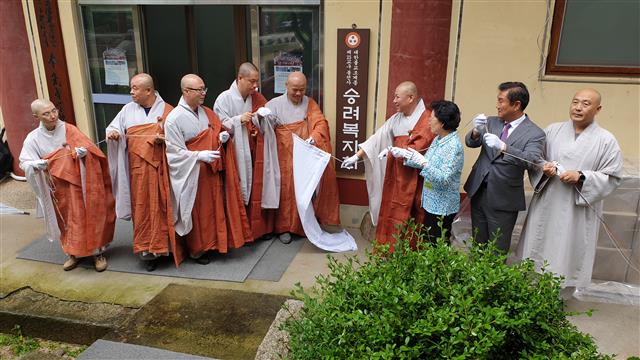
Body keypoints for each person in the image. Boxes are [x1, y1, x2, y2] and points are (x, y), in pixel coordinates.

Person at [517, 88, 623, 294]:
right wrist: (543, 168)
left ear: (598, 109)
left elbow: (613, 177)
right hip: (548, 200)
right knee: (540, 242)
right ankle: (532, 292)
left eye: (585, 103)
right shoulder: (552, 131)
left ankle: (560, 295)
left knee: (568, 248)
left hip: (577, 208)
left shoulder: (606, 140)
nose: (578, 107)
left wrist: (582, 176)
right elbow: (535, 159)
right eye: (575, 102)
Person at [164, 74, 252, 263]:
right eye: (199, 90)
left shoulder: (207, 112)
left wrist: (222, 137)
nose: (203, 93)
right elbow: (173, 153)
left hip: (212, 170)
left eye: (205, 89)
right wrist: (197, 155)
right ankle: (198, 249)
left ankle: (216, 244)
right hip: (193, 173)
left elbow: (219, 128)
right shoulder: (174, 119)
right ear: (186, 91)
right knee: (198, 212)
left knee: (215, 208)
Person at [19, 99, 115, 271]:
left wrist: (84, 154)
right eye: (46, 114)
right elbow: (24, 162)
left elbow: (90, 149)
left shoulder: (69, 129)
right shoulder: (33, 138)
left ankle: (97, 253)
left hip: (78, 182)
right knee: (66, 222)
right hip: (56, 187)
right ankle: (73, 253)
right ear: (36, 116)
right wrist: (35, 164)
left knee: (87, 216)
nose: (53, 116)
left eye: (54, 110)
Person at [341, 81, 435, 250]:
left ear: (411, 97)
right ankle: (389, 249)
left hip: (415, 177)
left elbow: (420, 147)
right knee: (391, 210)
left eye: (397, 97)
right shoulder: (397, 118)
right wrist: (356, 156)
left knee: (412, 214)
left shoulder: (427, 119)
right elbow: (377, 138)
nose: (394, 100)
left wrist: (398, 151)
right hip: (395, 173)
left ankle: (409, 253)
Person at [106, 73, 184, 272]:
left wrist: (164, 139)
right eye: (131, 88)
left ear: (148, 90)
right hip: (138, 172)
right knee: (142, 210)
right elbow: (114, 127)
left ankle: (166, 248)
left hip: (161, 170)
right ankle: (147, 253)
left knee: (164, 207)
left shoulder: (168, 111)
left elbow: (179, 140)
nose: (131, 92)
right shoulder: (127, 110)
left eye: (135, 88)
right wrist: (114, 134)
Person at [258, 71, 340, 244]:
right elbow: (264, 130)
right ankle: (284, 228)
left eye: (302, 90)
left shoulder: (310, 103)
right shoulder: (273, 104)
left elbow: (320, 123)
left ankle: (301, 225)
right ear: (286, 86)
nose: (298, 94)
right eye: (295, 89)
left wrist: (314, 138)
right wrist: (261, 116)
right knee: (285, 190)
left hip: (304, 154)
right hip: (282, 156)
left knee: (303, 189)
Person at [463, 81, 545, 252]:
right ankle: (477, 278)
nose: (497, 105)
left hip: (504, 196)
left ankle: (494, 279)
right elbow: (471, 143)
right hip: (479, 190)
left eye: (501, 101)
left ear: (516, 105)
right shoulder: (492, 122)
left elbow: (532, 160)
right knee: (478, 243)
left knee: (497, 247)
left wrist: (505, 147)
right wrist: (476, 131)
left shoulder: (534, 133)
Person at [213, 62, 275, 240]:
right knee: (236, 189)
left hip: (253, 150)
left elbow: (268, 120)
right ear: (240, 78)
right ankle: (238, 233)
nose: (255, 86)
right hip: (234, 152)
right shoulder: (224, 98)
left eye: (257, 81)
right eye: (252, 81)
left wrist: (261, 118)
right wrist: (239, 119)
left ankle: (255, 231)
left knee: (255, 188)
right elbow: (218, 126)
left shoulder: (255, 97)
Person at [395, 100, 464, 242]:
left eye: (432, 118)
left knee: (437, 245)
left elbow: (444, 178)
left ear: (442, 123)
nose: (428, 121)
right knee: (429, 242)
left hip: (442, 206)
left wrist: (424, 163)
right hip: (431, 202)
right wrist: (404, 155)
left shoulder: (453, 146)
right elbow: (425, 161)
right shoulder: (439, 139)